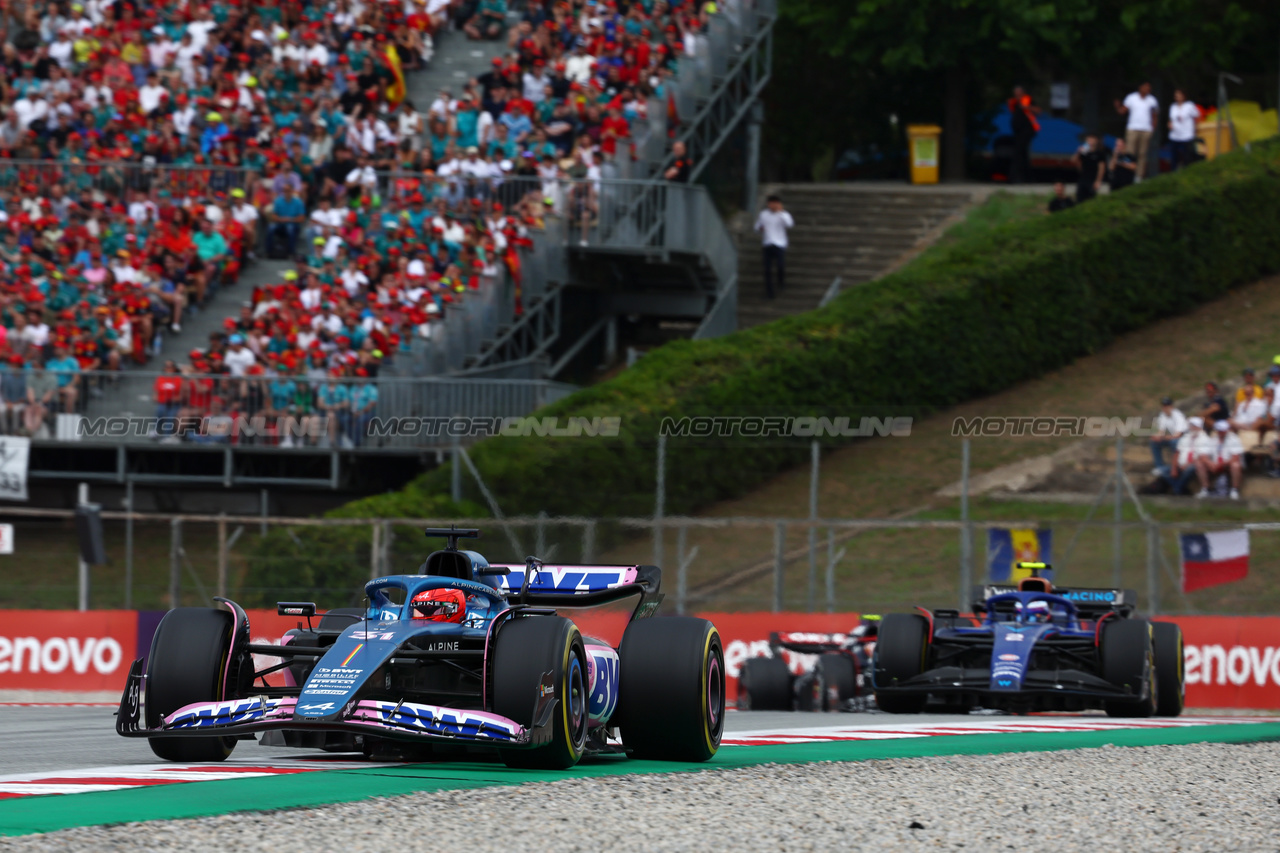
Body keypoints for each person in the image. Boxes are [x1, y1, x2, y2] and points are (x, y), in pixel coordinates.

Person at [1115, 82, 1159, 181]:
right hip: (1133, 129)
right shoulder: (1131, 98)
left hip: (1146, 130)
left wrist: (1152, 129)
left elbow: (1155, 116)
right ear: (1140, 87)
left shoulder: (1152, 100)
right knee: (1130, 153)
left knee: (1142, 154)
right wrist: (1118, 107)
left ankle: (1138, 177)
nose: (1147, 89)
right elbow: (1123, 111)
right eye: (1145, 86)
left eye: (1149, 87)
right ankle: (1128, 174)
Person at [754, 195, 794, 300]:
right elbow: (757, 226)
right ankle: (769, 292)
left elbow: (789, 224)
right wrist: (760, 228)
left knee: (780, 265)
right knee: (767, 270)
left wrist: (781, 212)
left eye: (775, 203)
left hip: (780, 243)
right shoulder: (763, 214)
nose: (773, 205)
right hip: (767, 243)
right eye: (771, 203)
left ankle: (781, 282)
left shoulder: (784, 214)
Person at [1163, 416, 1209, 496]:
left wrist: (1187, 464)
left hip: (1193, 465)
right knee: (1162, 471)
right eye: (1191, 425)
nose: (1192, 428)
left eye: (1194, 426)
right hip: (1180, 465)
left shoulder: (1205, 439)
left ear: (1199, 427)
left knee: (1190, 469)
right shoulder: (1185, 438)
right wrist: (1174, 468)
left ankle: (1177, 490)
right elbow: (1177, 453)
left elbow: (1201, 457)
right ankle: (1181, 489)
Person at [1197, 420, 1243, 500]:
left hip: (1227, 465)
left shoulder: (1234, 439)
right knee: (1199, 463)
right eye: (1220, 430)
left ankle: (1234, 490)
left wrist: (1222, 464)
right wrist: (1209, 463)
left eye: (1224, 430)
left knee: (1235, 465)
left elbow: (1235, 457)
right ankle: (1205, 489)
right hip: (1215, 464)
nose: (1222, 432)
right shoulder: (1212, 440)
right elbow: (1203, 455)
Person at [1007, 85, 1040, 184]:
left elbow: (1038, 110)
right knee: (1023, 153)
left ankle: (1016, 177)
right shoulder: (1013, 102)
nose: (1017, 95)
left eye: (1019, 93)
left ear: (1022, 92)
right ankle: (1027, 178)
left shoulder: (1028, 100)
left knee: (1018, 152)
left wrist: (1027, 107)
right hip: (1017, 131)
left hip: (1027, 130)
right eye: (1015, 93)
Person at [1150, 396, 1187, 474]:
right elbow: (1161, 431)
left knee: (1174, 442)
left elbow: (1178, 435)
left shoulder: (1178, 416)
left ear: (1171, 406)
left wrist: (1164, 437)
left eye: (1167, 406)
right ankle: (1159, 467)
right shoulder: (1162, 415)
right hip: (1172, 437)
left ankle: (1177, 466)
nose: (1165, 408)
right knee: (1154, 442)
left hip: (1183, 439)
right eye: (1164, 406)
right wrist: (1157, 436)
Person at [1168, 89, 1201, 170]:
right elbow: (1171, 119)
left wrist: (1195, 128)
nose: (1177, 96)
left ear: (1183, 96)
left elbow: (1197, 116)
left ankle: (1187, 172)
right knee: (1174, 157)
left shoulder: (1189, 105)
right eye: (1176, 95)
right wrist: (1169, 124)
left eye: (1179, 94)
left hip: (1187, 135)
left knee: (1187, 157)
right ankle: (1173, 173)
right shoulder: (1173, 106)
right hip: (1175, 135)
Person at [1071, 133, 1107, 202]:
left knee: (1090, 199)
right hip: (1083, 178)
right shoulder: (1084, 152)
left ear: (1096, 141)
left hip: (1092, 180)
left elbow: (1102, 168)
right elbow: (1073, 160)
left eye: (1091, 139)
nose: (1090, 141)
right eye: (1088, 139)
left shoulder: (1099, 153)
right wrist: (1078, 152)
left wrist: (1098, 181)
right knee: (1079, 198)